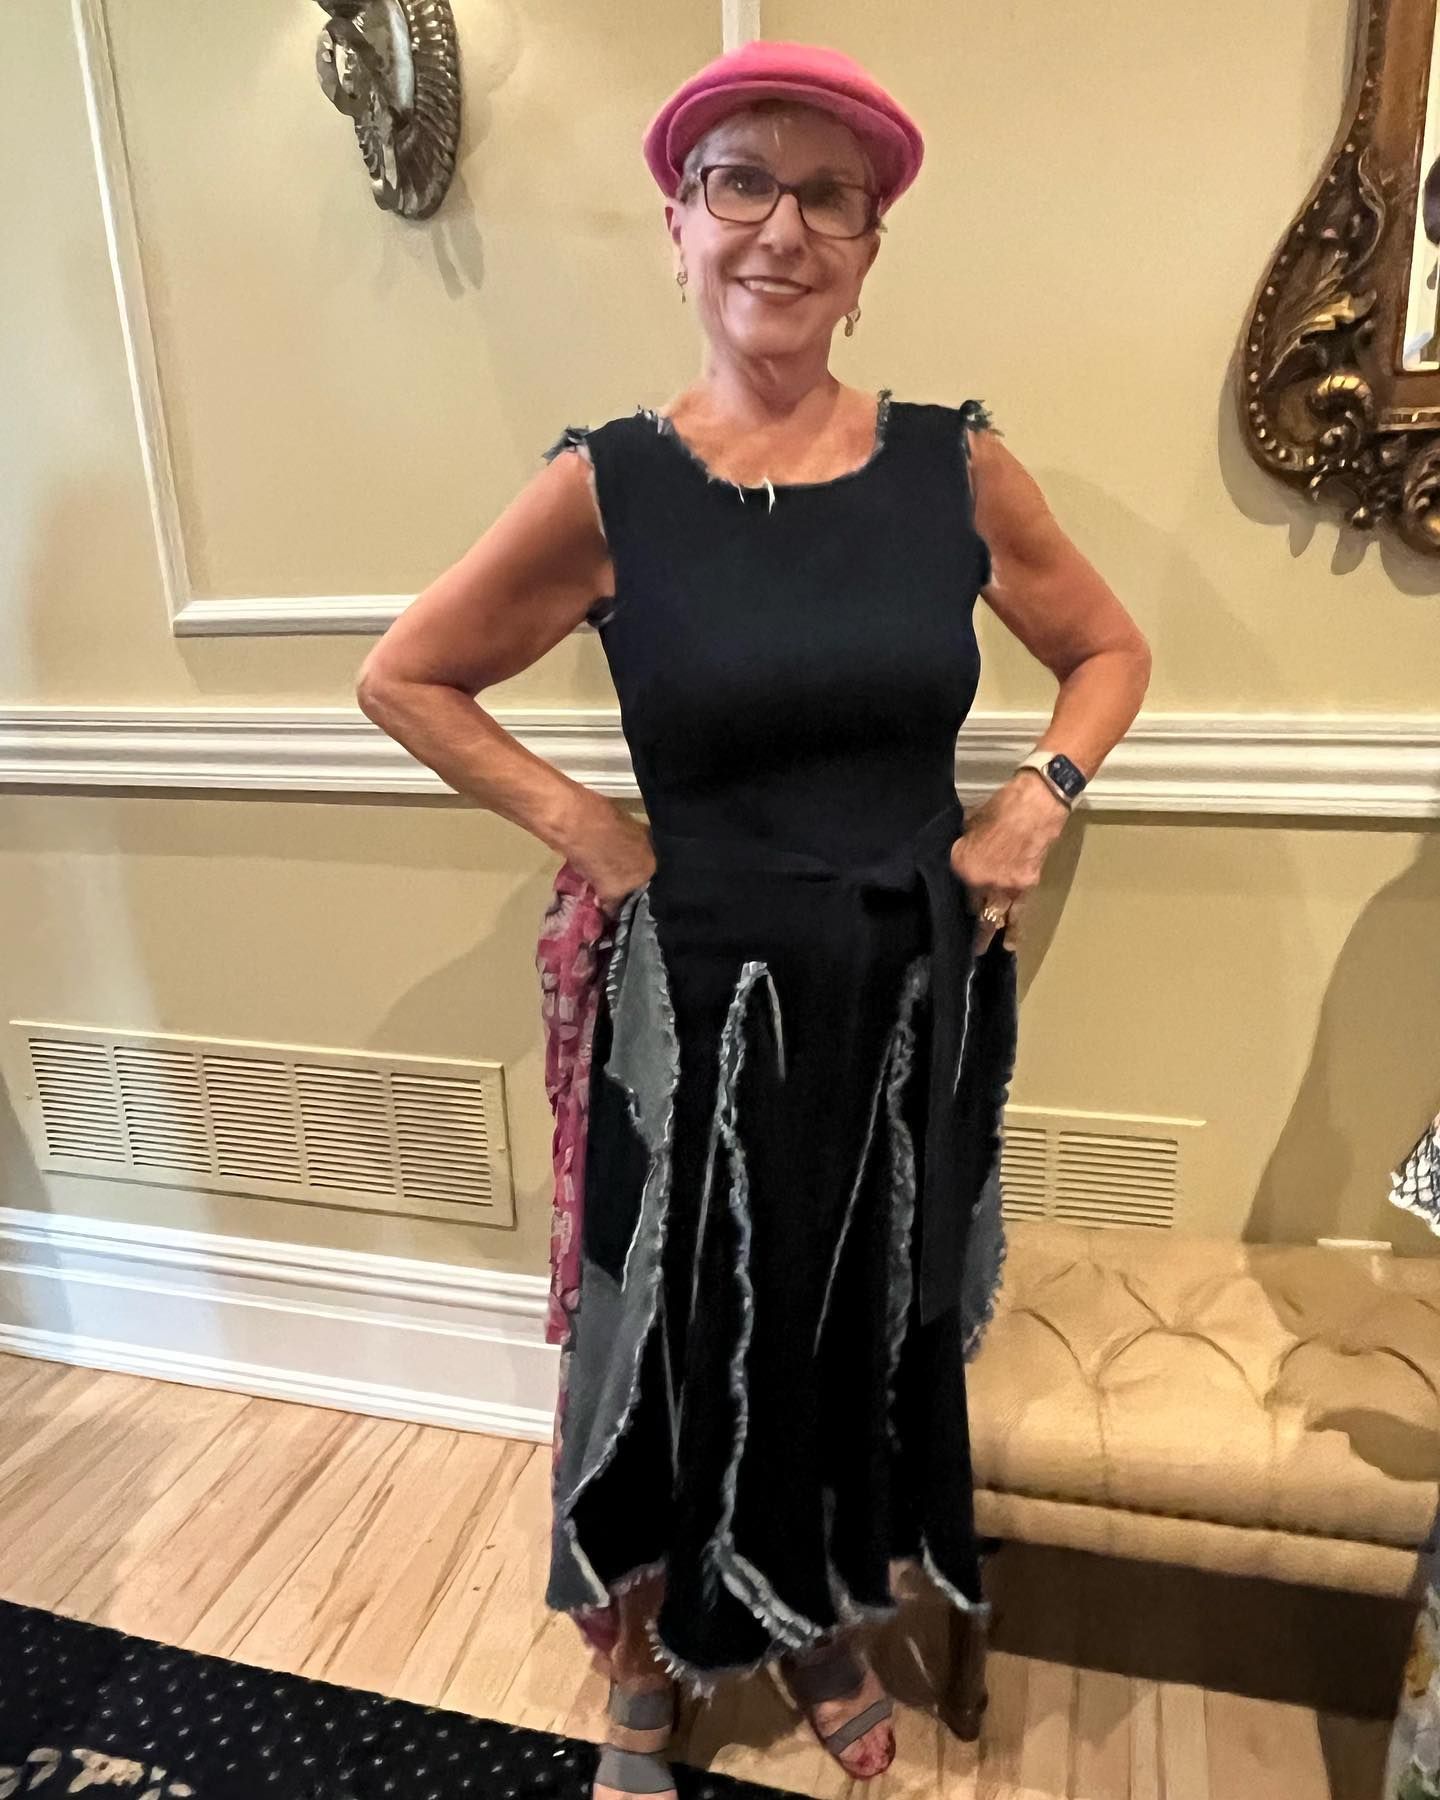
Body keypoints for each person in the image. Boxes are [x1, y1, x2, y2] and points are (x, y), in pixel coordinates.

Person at [355, 38, 1151, 1798]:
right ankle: (646, 1654)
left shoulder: (956, 469)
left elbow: (1109, 650)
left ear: (869, 252)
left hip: (899, 990)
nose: (783, 228)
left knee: (849, 1313)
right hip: (695, 995)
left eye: (829, 196)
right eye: (740, 183)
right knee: (672, 1327)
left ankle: (812, 1614)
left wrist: (1036, 800)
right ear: (678, 227)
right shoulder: (612, 485)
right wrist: (591, 830)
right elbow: (405, 676)